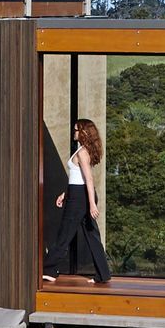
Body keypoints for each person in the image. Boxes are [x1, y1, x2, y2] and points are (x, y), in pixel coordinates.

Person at [48, 117, 112, 285]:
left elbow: (88, 180)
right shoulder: (82, 150)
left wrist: (91, 204)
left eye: (76, 130)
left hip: (80, 198)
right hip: (77, 194)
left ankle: (49, 269)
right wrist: (65, 194)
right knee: (92, 236)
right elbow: (76, 178)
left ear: (83, 132)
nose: (74, 132)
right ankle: (103, 274)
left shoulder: (83, 152)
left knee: (65, 233)